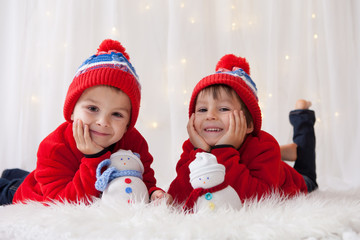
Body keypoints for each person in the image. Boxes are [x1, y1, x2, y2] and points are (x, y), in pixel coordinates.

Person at [0, 39, 168, 205]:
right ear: (72, 111)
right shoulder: (54, 147)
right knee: (12, 188)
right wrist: (94, 158)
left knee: (33, 175)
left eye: (117, 114)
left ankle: (14, 174)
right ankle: (11, 180)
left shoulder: (134, 143)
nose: (103, 122)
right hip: (34, 194)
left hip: (54, 175)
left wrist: (153, 193)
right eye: (93, 109)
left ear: (127, 125)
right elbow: (65, 203)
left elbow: (142, 179)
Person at [167, 54, 317, 206]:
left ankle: (302, 115)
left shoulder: (264, 146)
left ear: (248, 124)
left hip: (296, 181)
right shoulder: (193, 147)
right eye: (202, 109)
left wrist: (224, 150)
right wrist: (202, 154)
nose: (210, 116)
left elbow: (255, 201)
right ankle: (285, 152)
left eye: (223, 108)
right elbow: (179, 198)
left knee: (307, 171)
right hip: (266, 164)